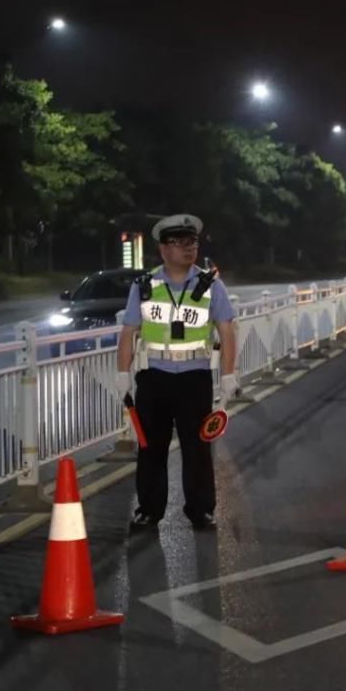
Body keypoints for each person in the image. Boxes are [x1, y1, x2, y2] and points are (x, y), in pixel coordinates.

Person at [115, 214, 239, 530]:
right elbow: (129, 332)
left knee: (196, 447)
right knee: (151, 448)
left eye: (192, 242)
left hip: (194, 378)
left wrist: (228, 375)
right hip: (153, 378)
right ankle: (149, 510)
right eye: (179, 242)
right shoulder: (145, 286)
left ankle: (200, 509)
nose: (188, 248)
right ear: (163, 249)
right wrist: (122, 373)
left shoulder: (211, 286)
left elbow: (227, 333)